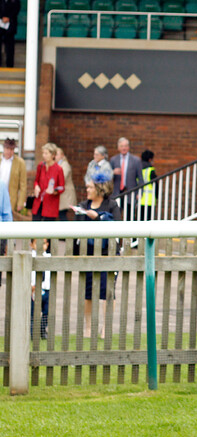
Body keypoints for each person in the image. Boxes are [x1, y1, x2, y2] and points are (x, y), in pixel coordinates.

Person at [73, 173, 122, 337]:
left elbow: (117, 227)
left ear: (99, 189)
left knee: (107, 292)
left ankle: (106, 328)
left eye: (90, 187)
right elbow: (76, 232)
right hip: (88, 255)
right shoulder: (83, 205)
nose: (87, 189)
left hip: (108, 255)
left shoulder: (112, 205)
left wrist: (99, 217)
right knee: (88, 293)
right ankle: (88, 328)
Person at [32, 142, 65, 222]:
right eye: (43, 153)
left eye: (46, 153)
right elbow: (36, 181)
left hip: (50, 204)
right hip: (38, 202)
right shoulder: (41, 166)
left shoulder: (58, 169)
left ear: (53, 155)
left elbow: (62, 187)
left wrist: (54, 191)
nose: (44, 155)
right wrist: (36, 187)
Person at [110, 137, 142, 218]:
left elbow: (140, 178)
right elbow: (107, 177)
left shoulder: (136, 160)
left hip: (130, 192)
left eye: (125, 146)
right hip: (117, 192)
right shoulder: (113, 160)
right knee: (116, 215)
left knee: (130, 215)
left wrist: (139, 192)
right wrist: (112, 172)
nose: (124, 148)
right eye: (121, 146)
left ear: (128, 147)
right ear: (118, 147)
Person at [30, 239, 51, 339]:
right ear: (31, 244)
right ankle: (32, 332)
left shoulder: (48, 257)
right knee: (33, 312)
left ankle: (42, 330)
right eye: (37, 243)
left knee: (47, 311)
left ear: (47, 245)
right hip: (33, 289)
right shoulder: (30, 257)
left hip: (46, 288)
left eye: (43, 243)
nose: (40, 246)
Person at [56, 146, 77, 221]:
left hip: (66, 194)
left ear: (62, 155)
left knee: (62, 214)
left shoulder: (65, 165)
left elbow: (62, 178)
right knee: (61, 214)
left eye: (57, 154)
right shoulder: (58, 165)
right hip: (62, 194)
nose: (55, 156)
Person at [0, 0, 21, 68]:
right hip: (0, 23)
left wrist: (9, 18)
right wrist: (2, 17)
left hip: (11, 25)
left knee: (10, 47)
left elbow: (16, 8)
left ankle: (10, 65)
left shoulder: (14, 1)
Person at [139, 149, 157, 220]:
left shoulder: (138, 169)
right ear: (150, 159)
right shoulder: (150, 170)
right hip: (149, 200)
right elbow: (156, 185)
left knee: (140, 220)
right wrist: (157, 196)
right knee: (148, 220)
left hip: (139, 199)